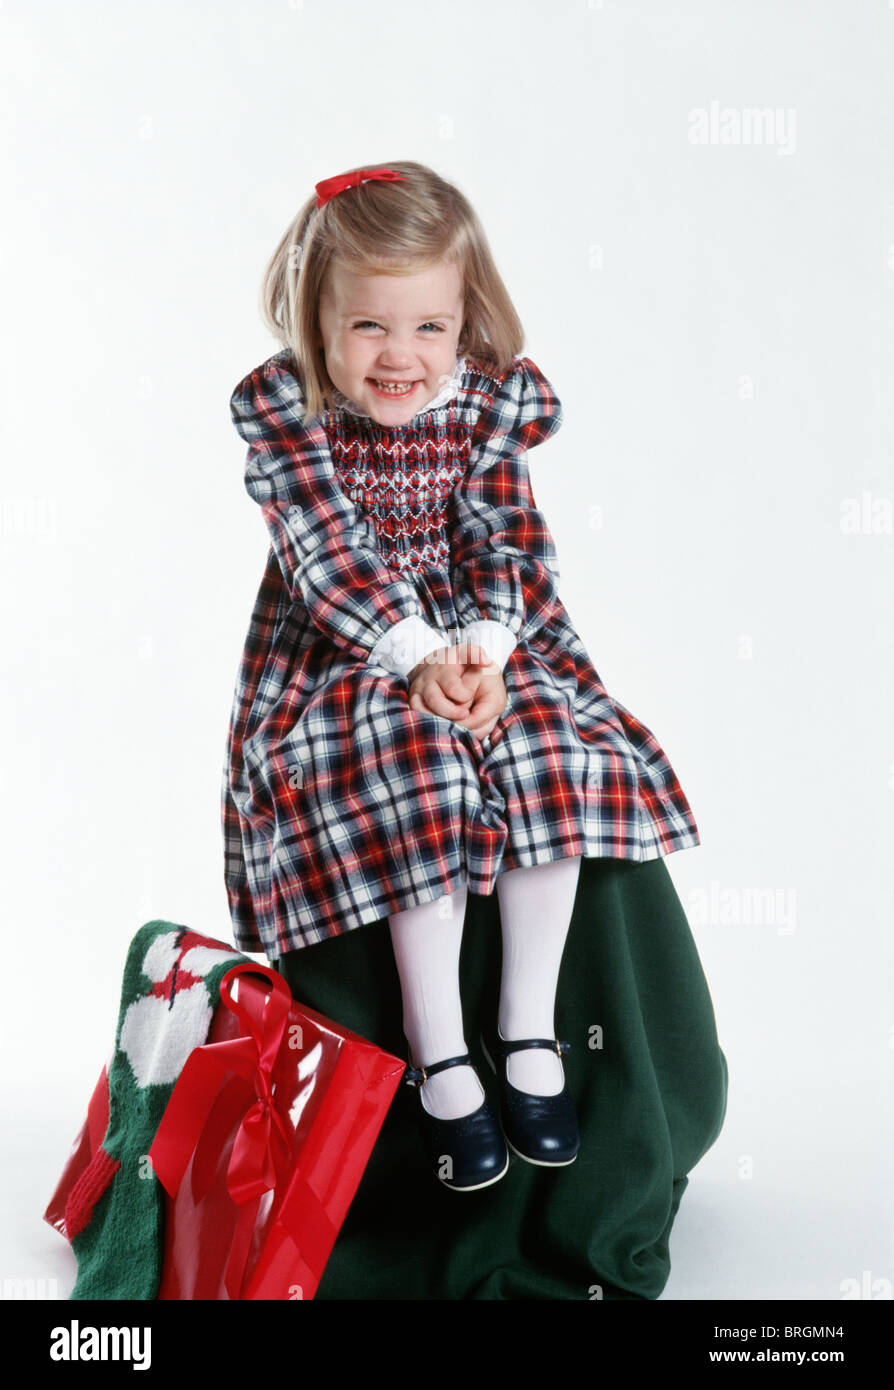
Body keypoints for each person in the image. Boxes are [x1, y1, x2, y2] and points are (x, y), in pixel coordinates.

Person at [221, 161, 704, 1197]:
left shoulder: (486, 401)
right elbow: (324, 551)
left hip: (475, 635)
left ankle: (528, 1026)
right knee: (414, 768)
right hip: (343, 643)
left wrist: (482, 646)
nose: (401, 357)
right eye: (367, 330)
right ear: (317, 317)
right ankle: (440, 1051)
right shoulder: (286, 409)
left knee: (551, 749)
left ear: (464, 316)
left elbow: (506, 533)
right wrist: (411, 653)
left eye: (429, 328)